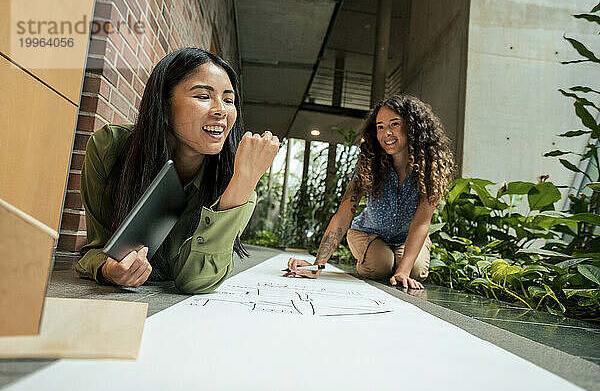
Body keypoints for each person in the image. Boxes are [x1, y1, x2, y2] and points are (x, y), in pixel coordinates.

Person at [77, 47, 279, 294]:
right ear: (164, 106)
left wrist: (244, 181)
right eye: (203, 96)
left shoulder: (236, 183)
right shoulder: (109, 148)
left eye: (229, 100)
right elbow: (94, 250)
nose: (221, 111)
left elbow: (195, 281)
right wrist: (109, 269)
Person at [286, 94, 454, 289]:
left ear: (412, 126)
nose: (386, 133)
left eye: (394, 124)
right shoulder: (368, 163)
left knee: (414, 272)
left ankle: (400, 264)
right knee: (379, 266)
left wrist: (403, 271)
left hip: (407, 236)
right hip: (368, 233)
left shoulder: (432, 167)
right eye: (380, 126)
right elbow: (343, 215)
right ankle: (380, 259)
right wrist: (318, 264)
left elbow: (421, 223)